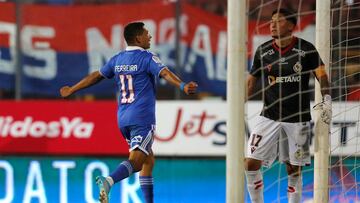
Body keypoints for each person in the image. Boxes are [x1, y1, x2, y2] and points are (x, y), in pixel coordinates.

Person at [60, 22, 198, 203]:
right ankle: (108, 180)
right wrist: (182, 85)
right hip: (142, 119)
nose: (150, 37)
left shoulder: (118, 59)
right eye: (147, 34)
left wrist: (72, 89)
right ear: (138, 38)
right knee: (137, 162)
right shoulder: (147, 58)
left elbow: (96, 76)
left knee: (148, 160)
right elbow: (164, 73)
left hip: (123, 119)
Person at [244, 8, 331, 203]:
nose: (272, 24)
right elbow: (251, 81)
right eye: (271, 20)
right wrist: (238, 102)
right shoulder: (263, 51)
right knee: (250, 162)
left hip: (297, 119)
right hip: (268, 116)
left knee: (293, 169)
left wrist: (327, 99)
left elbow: (322, 76)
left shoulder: (306, 49)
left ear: (291, 25)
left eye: (279, 21)